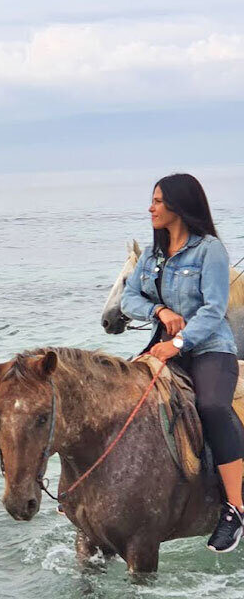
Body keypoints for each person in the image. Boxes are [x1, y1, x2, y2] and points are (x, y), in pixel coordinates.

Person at [121, 173, 244, 552]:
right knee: (117, 397)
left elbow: (214, 309)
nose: (151, 207)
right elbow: (128, 298)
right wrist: (158, 309)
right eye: (152, 200)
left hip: (211, 349)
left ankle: (235, 509)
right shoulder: (153, 256)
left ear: (179, 205)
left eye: (158, 201)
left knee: (212, 406)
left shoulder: (210, 251)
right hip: (162, 346)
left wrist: (178, 341)